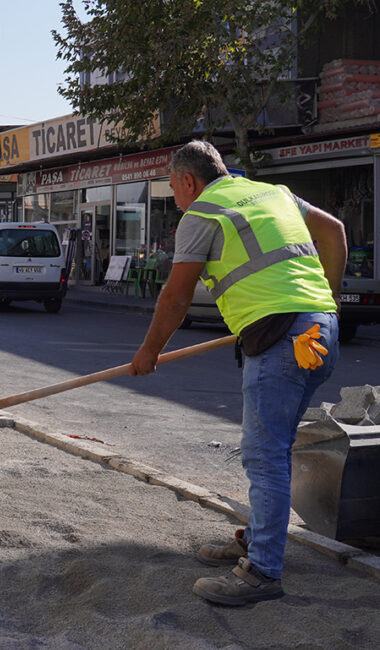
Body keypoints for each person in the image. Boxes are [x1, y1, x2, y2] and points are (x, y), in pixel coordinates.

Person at [129, 140, 345, 606]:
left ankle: (262, 572)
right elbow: (335, 232)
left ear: (188, 180)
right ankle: (258, 538)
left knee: (264, 456)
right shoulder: (274, 193)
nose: (176, 198)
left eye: (173, 187)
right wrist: (327, 298)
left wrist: (148, 352)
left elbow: (175, 297)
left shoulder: (201, 213)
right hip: (320, 333)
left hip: (281, 341)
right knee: (276, 447)